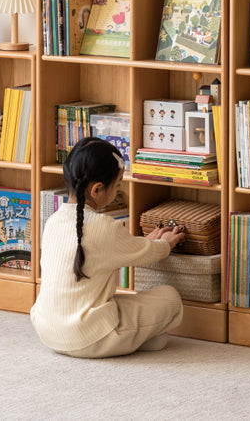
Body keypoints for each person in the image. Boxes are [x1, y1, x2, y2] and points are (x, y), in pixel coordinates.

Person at [30, 136, 185, 358]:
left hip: (47, 331)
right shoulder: (104, 227)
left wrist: (147, 241)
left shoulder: (53, 221)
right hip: (85, 336)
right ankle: (128, 340)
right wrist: (165, 244)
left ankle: (135, 340)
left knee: (121, 304)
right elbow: (147, 253)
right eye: (118, 184)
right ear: (97, 190)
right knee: (169, 297)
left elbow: (128, 247)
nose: (118, 190)